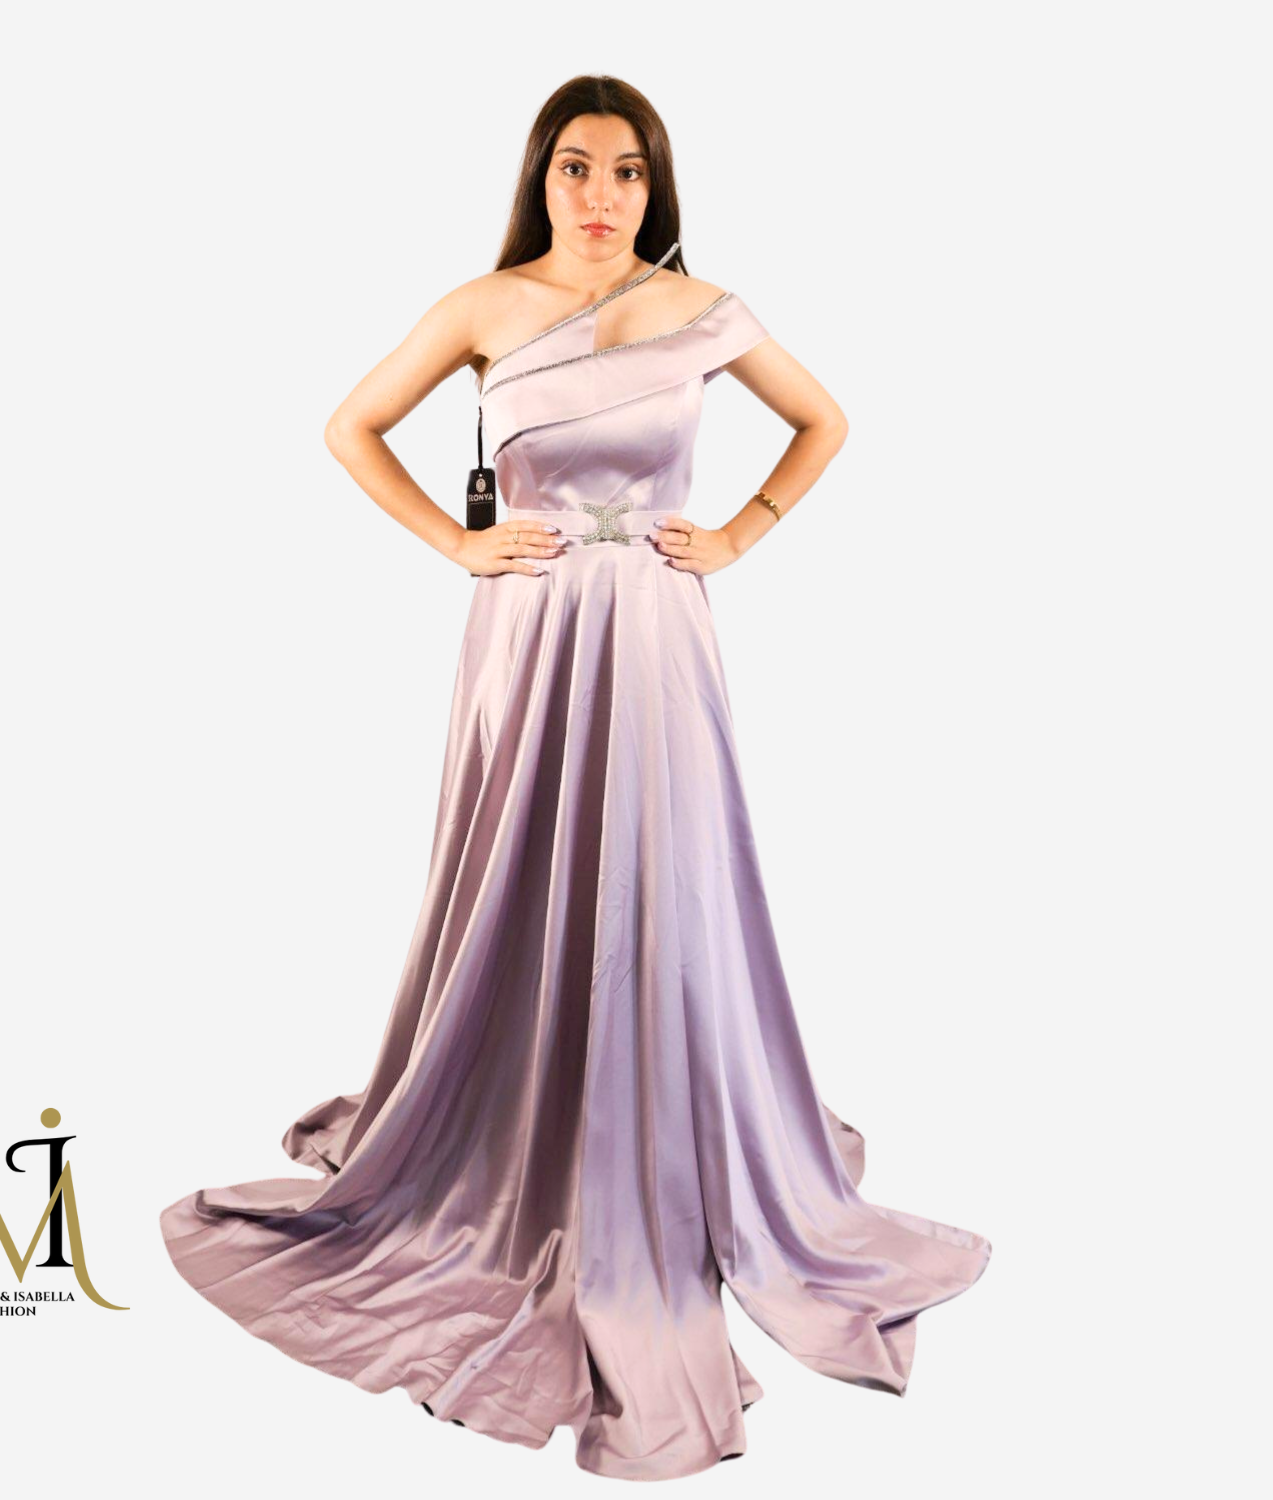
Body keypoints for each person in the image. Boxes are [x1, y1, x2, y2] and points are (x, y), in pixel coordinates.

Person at [160, 74, 990, 1481]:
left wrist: (738, 532)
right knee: (519, 876)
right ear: (540, 178)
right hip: (526, 630)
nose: (600, 196)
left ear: (654, 185)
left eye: (625, 172)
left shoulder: (703, 307)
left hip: (658, 632)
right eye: (575, 168)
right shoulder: (485, 307)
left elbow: (826, 423)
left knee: (667, 887)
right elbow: (350, 427)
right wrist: (455, 541)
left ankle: (672, 1133)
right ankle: (502, 1128)